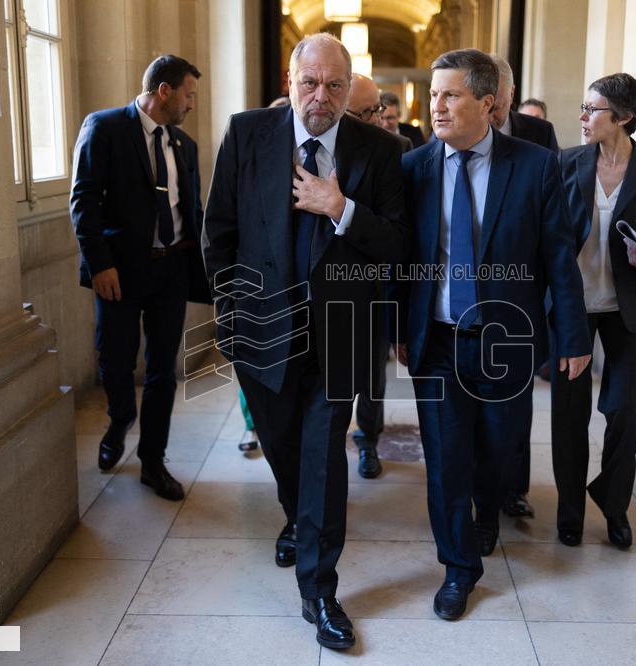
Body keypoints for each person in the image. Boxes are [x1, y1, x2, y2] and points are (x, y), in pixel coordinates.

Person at [202, 33, 408, 650]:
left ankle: (319, 591)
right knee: (284, 448)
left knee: (322, 454)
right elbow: (220, 232)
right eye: (311, 83)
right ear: (291, 80)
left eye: (336, 85)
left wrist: (340, 206)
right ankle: (300, 520)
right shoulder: (247, 135)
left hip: (342, 334)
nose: (322, 97)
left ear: (351, 89)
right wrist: (235, 311)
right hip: (263, 330)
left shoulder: (381, 149)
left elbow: (398, 242)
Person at [393, 48, 590, 621]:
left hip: (506, 340)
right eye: (433, 95)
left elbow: (558, 256)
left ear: (487, 102)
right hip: (438, 339)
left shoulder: (534, 165)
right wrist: (398, 329)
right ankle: (459, 569)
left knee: (498, 449)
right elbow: (399, 261)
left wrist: (573, 337)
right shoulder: (415, 169)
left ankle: (485, 509)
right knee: (446, 459)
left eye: (449, 95)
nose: (436, 106)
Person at [71, 55, 210, 501]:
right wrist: (99, 264)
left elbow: (193, 211)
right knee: (115, 359)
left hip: (170, 268)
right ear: (164, 91)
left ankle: (153, 461)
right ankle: (119, 420)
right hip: (119, 271)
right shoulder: (105, 127)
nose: (191, 104)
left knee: (163, 370)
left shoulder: (185, 146)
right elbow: (83, 200)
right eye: (188, 95)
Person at [554, 73, 636, 549]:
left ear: (623, 118)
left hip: (626, 309)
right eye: (584, 108)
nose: (583, 118)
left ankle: (614, 503)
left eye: (593, 109)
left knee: (625, 412)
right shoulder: (566, 163)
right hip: (573, 309)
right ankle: (569, 513)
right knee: (569, 416)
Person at [476, 55, 559, 524]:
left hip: (518, 290)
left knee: (516, 403)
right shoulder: (456, 128)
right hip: (473, 284)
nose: (494, 109)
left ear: (505, 95)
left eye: (500, 99)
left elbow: (551, 210)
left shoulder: (537, 135)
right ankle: (479, 489)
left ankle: (514, 488)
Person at [345, 75, 412, 479]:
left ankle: (369, 440)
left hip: (376, 280)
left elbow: (401, 227)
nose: (376, 120)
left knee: (373, 373)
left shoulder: (398, 149)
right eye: (365, 112)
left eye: (378, 111)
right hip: (328, 282)